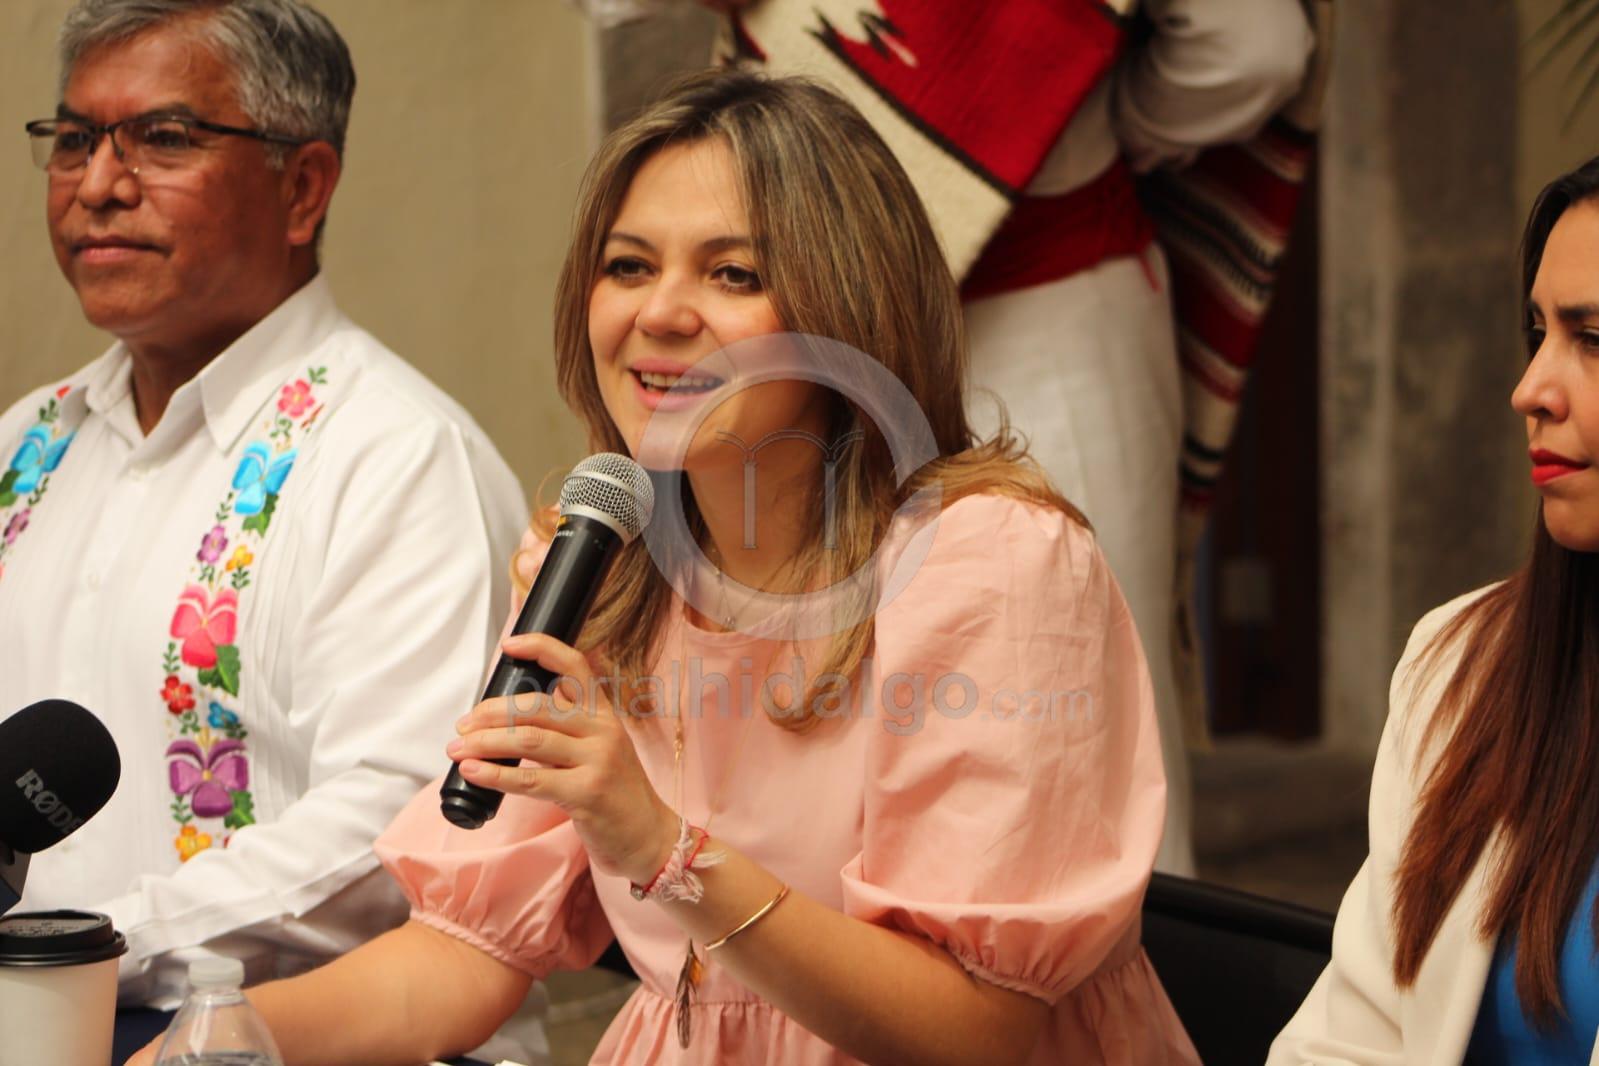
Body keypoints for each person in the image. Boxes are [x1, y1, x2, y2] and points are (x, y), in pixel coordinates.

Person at [128, 68, 1199, 1066]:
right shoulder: (598, 566)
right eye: (629, 266)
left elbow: (976, 1028)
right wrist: (200, 1042)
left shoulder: (989, 563)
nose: (659, 314)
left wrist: (659, 843)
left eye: (733, 274)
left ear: (849, 308)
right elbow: (463, 951)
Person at [660, 0, 1325, 876]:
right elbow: (1249, 48)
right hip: (809, 312)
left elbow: (1252, 51)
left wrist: (1035, 131)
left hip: (1031, 304)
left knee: (1079, 721)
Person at [0, 0, 527, 1024]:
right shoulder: (28, 442)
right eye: (72, 140)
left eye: (162, 138)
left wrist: (71, 951)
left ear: (303, 188)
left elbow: (393, 835)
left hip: (280, 1038)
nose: (98, 185)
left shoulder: (396, 455)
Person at [1270, 156, 1599, 1061]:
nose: (1530, 388)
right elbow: (1346, 1040)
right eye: (1536, 332)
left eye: (1592, 339)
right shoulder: (1461, 659)